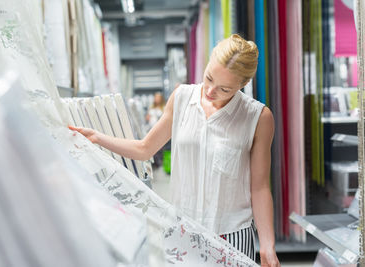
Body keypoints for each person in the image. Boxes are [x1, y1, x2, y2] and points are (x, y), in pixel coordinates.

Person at [69, 34, 280, 266]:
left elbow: (259, 188)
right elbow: (144, 148)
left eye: (224, 89)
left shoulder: (257, 117)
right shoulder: (181, 99)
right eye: (208, 78)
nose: (210, 91)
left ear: (243, 84)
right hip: (183, 232)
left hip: (232, 235)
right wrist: (97, 137)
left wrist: (267, 245)